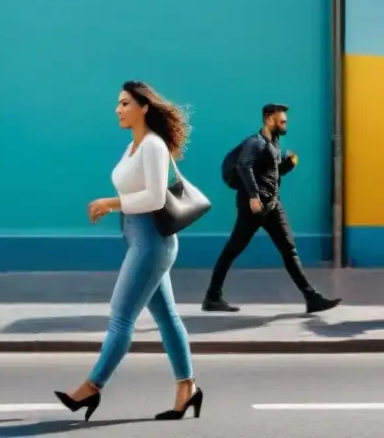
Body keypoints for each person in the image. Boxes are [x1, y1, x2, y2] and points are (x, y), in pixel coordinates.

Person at [55, 81, 203, 422]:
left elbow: (155, 198)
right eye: (118, 104)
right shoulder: (133, 145)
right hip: (139, 239)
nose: (117, 109)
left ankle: (92, 388)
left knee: (121, 316)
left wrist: (110, 204)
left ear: (143, 107)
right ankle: (188, 389)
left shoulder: (152, 145)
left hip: (152, 240)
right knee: (167, 319)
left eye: (124, 104)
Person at [202, 103, 341, 314]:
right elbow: (244, 166)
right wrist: (253, 197)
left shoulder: (274, 143)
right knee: (233, 249)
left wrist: (288, 165)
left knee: (289, 250)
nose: (285, 125)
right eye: (282, 121)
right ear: (269, 119)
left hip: (272, 206)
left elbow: (269, 175)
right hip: (254, 208)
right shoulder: (254, 143)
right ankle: (213, 296)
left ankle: (311, 298)